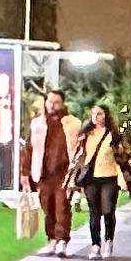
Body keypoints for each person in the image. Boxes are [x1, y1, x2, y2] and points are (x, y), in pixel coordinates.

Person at [21, 88, 79, 248]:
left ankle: (62, 239)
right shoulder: (37, 123)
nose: (52, 105)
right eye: (50, 102)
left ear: (62, 103)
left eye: (56, 102)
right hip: (43, 173)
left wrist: (76, 171)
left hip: (64, 173)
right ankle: (51, 237)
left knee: (62, 207)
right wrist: (24, 173)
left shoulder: (72, 123)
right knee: (47, 207)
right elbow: (29, 149)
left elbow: (80, 148)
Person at [72, 100, 131, 254]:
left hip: (109, 178)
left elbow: (121, 157)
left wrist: (122, 178)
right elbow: (79, 155)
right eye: (93, 114)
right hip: (91, 178)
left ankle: (109, 240)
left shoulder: (113, 134)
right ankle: (95, 244)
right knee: (94, 212)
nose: (95, 117)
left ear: (106, 116)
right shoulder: (86, 134)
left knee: (108, 210)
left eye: (99, 114)